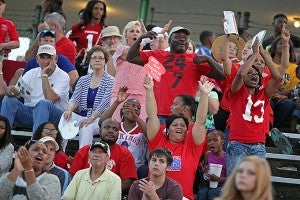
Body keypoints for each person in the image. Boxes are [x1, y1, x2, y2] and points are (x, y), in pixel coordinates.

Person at [127, 26, 225, 123]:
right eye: (178, 36)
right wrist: (141, 39)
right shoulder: (157, 55)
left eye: (185, 37)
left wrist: (209, 59)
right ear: (169, 41)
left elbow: (222, 75)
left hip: (185, 116)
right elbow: (131, 57)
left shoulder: (195, 59)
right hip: (158, 114)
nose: (182, 39)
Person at [144, 74, 215, 200]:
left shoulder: (192, 145)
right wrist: (149, 90)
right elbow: (152, 115)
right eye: (175, 125)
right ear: (167, 129)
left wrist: (204, 96)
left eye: (183, 125)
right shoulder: (158, 139)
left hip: (182, 197)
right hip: (152, 195)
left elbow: (200, 121)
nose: (179, 127)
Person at [225, 39, 287, 175]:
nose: (254, 76)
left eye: (256, 74)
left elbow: (277, 77)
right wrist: (254, 54)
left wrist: (263, 54)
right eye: (250, 74)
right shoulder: (236, 92)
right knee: (235, 185)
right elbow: (240, 73)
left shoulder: (264, 94)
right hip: (237, 144)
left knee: (255, 187)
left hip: (258, 145)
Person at [1, 44, 70, 133]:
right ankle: (3, 141)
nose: (46, 61)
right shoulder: (30, 73)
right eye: (42, 57)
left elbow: (50, 99)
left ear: (55, 59)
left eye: (49, 57)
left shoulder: (63, 76)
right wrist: (10, 91)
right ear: (37, 59)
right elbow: (17, 93)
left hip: (54, 116)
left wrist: (44, 75)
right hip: (30, 113)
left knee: (43, 104)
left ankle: (36, 142)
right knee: (8, 100)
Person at [69, 118, 137, 197]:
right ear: (99, 131)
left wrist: (101, 191)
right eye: (107, 127)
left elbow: (127, 184)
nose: (111, 131)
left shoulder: (125, 154)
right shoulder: (83, 151)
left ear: (118, 134)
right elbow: (73, 176)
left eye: (115, 129)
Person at [62, 45, 114, 148]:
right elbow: (75, 98)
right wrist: (69, 110)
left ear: (105, 61)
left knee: (86, 127)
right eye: (94, 58)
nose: (97, 60)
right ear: (90, 61)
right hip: (82, 116)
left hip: (99, 119)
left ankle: (84, 158)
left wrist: (91, 118)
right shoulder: (83, 79)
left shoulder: (111, 80)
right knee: (65, 117)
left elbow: (104, 104)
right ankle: (61, 153)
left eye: (101, 58)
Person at [99, 86, 148, 178]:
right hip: (112, 163)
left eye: (138, 108)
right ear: (123, 110)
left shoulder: (141, 128)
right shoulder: (115, 126)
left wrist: (136, 117)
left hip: (133, 167)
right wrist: (117, 102)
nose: (136, 109)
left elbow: (150, 136)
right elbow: (102, 123)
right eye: (132, 106)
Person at [111, 20, 147, 122]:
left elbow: (159, 57)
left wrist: (159, 39)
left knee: (140, 128)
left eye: (138, 31)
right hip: (120, 95)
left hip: (141, 96)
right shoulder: (120, 49)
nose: (135, 33)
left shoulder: (147, 54)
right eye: (131, 31)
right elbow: (131, 55)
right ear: (125, 35)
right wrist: (143, 40)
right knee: (117, 125)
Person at [268, 33, 298, 130]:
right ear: (274, 46)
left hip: (283, 98)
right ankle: (266, 128)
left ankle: (274, 131)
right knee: (269, 103)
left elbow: (295, 87)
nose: (283, 45)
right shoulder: (266, 62)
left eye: (286, 45)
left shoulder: (294, 68)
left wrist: (281, 92)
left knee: (288, 104)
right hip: (267, 95)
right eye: (280, 43)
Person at [197, 130, 226, 200]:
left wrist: (219, 179)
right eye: (209, 140)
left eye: (215, 140)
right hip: (209, 184)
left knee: (212, 193)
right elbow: (205, 168)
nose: (211, 143)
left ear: (222, 142)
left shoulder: (227, 157)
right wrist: (204, 169)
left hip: (223, 186)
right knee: (201, 193)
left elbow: (232, 178)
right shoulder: (207, 154)